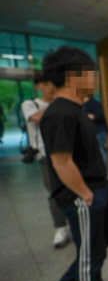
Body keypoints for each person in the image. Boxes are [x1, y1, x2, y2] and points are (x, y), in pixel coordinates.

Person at [40, 46, 108, 281]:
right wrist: (86, 195)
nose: (94, 79)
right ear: (72, 76)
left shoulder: (76, 108)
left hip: (98, 187)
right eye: (89, 73)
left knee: (106, 235)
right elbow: (60, 162)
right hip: (81, 195)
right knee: (90, 253)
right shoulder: (59, 113)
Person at [21, 74, 71, 248]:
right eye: (45, 84)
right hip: (46, 155)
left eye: (52, 83)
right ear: (37, 86)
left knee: (74, 189)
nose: (50, 87)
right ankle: (61, 227)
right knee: (54, 193)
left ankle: (76, 222)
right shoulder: (30, 104)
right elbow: (35, 118)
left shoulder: (65, 103)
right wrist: (59, 102)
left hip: (69, 153)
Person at [83, 94, 108, 167]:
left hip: (98, 131)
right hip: (88, 131)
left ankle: (103, 170)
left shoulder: (93, 103)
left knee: (101, 152)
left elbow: (100, 115)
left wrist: (92, 116)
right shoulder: (80, 104)